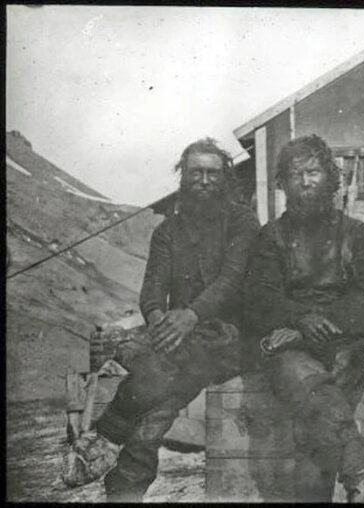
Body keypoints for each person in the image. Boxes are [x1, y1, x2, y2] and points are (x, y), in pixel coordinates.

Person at [62, 138, 260, 501]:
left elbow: (231, 280)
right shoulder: (167, 231)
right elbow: (152, 292)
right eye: (195, 172)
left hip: (233, 338)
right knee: (155, 413)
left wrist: (192, 315)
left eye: (212, 173)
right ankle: (123, 491)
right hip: (180, 348)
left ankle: (104, 436)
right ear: (182, 177)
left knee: (163, 368)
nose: (204, 180)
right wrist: (158, 323)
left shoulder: (242, 222)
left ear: (225, 178)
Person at [244, 135, 364, 503]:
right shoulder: (271, 238)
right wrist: (300, 319)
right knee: (309, 387)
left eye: (313, 171)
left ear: (332, 179)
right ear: (282, 184)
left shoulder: (358, 235)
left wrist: (315, 326)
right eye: (295, 174)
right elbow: (260, 299)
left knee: (317, 430)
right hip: (287, 353)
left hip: (340, 344)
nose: (306, 181)